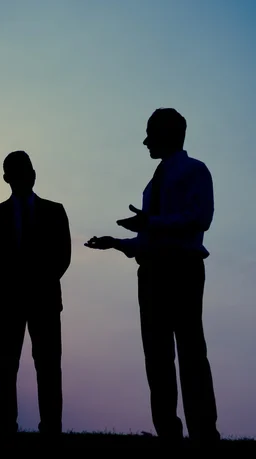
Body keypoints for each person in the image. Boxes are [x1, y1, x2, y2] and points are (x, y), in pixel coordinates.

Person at [85, 108, 220, 445]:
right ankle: (169, 432)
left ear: (170, 134)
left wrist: (150, 224)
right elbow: (151, 238)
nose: (145, 140)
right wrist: (117, 243)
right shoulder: (156, 182)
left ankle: (203, 432)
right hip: (153, 272)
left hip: (182, 270)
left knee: (189, 352)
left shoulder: (195, 171)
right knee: (157, 355)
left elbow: (200, 219)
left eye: (151, 133)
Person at [0, 151, 71, 437]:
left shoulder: (55, 211)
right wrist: (7, 285)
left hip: (43, 300)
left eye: (26, 170)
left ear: (33, 173)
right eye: (17, 172)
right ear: (7, 178)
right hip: (6, 301)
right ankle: (5, 426)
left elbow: (62, 256)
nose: (24, 176)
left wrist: (37, 283)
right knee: (4, 368)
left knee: (49, 366)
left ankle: (51, 427)